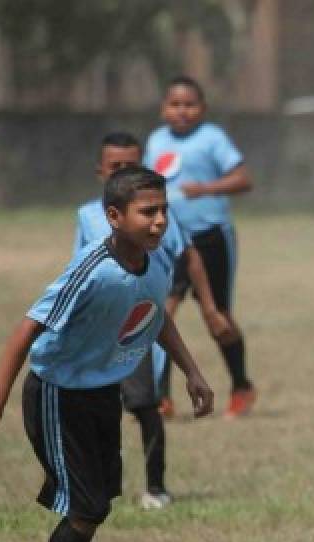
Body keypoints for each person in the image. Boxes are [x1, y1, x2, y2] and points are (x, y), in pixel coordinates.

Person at [0, 166, 213, 542]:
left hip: (103, 392)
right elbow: (27, 328)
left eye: (164, 210)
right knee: (86, 506)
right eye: (149, 212)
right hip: (59, 392)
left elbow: (154, 316)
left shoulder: (156, 258)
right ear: (114, 217)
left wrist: (192, 370)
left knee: (95, 505)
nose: (160, 221)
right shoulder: (92, 268)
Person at [74, 131, 233, 508]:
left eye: (133, 165)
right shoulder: (87, 216)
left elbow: (188, 255)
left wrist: (210, 308)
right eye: (117, 167)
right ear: (101, 172)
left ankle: (156, 487)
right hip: (99, 330)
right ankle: (92, 485)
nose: (126, 173)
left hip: (138, 326)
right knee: (94, 411)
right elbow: (78, 267)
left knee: (147, 406)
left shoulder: (158, 213)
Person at [145, 75, 255, 419]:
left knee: (217, 317)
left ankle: (241, 386)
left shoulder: (212, 138)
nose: (182, 111)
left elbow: (243, 179)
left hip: (210, 238)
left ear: (202, 109)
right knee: (161, 314)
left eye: (189, 105)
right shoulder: (156, 141)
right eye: (175, 105)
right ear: (164, 109)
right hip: (168, 240)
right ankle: (161, 397)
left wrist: (205, 189)